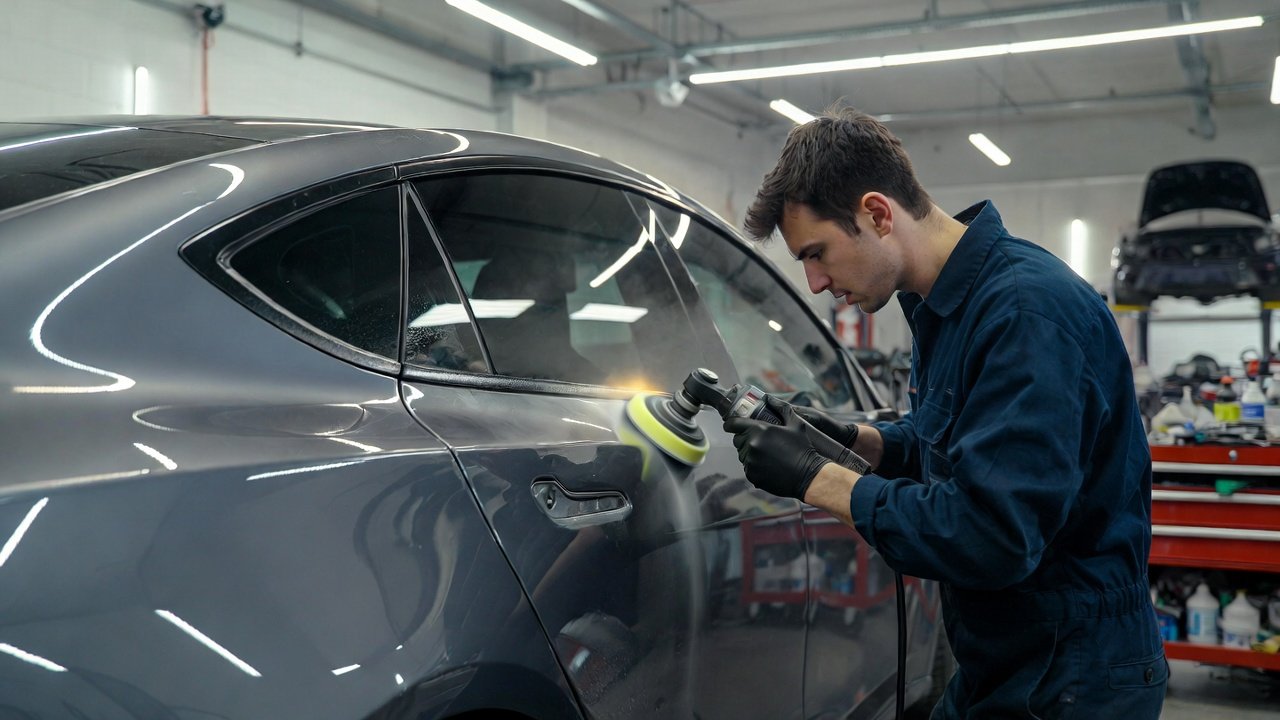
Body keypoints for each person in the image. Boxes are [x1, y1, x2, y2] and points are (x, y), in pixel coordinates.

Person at [724, 107, 1165, 719]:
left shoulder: (1021, 314)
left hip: (1071, 672)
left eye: (818, 253)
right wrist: (854, 441)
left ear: (877, 214)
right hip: (1010, 653)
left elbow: (991, 535)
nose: (816, 282)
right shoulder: (948, 306)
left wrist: (815, 479)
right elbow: (962, 443)